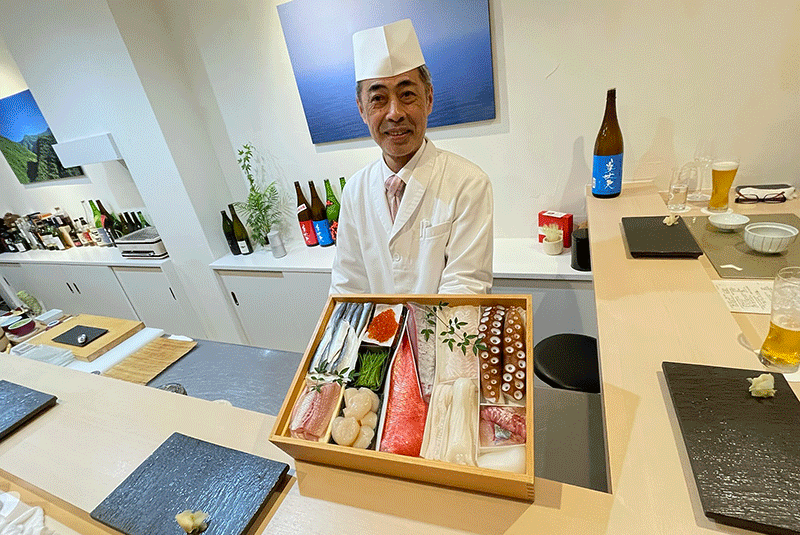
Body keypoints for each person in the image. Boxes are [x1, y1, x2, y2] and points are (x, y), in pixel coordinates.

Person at [330, 19, 493, 295]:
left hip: (443, 335)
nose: (394, 113)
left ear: (428, 99)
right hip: (376, 336)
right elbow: (347, 286)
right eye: (378, 99)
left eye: (407, 94)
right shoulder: (354, 191)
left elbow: (465, 287)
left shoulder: (469, 183)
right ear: (361, 109)